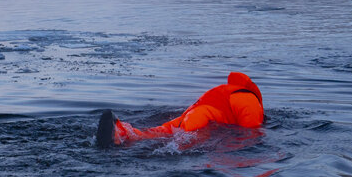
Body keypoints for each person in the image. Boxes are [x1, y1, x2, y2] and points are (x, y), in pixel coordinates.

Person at [97, 71, 264, 147]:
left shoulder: (226, 90)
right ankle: (145, 156)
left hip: (190, 113)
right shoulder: (249, 98)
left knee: (160, 132)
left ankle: (121, 131)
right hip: (205, 119)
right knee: (179, 145)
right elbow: (251, 131)